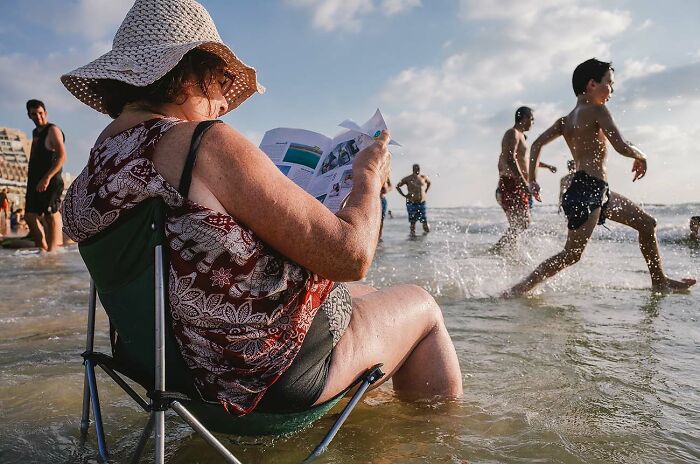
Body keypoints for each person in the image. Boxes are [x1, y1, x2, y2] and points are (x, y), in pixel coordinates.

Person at [60, 0, 462, 416]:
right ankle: (434, 446)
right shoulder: (203, 144)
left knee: (370, 295)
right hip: (260, 377)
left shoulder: (91, 178)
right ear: (186, 75)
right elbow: (352, 254)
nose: (222, 103)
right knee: (422, 307)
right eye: (219, 81)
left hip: (162, 371)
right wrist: (368, 177)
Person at [506, 58, 695, 296]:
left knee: (647, 224)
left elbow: (536, 145)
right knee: (571, 254)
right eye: (609, 83)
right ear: (592, 84)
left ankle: (659, 281)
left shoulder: (565, 120)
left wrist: (533, 179)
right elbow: (621, 145)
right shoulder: (597, 109)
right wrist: (642, 156)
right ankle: (518, 290)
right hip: (588, 190)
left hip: (594, 190)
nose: (612, 90)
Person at [492, 107, 556, 252]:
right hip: (510, 183)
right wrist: (522, 182)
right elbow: (509, 158)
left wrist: (547, 166)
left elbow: (525, 162)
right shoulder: (512, 133)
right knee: (522, 223)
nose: (533, 123)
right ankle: (498, 249)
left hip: (515, 184)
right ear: (525, 118)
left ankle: (507, 251)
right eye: (532, 119)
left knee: (520, 224)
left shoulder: (521, 137)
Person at [25, 99, 66, 252]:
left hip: (51, 180)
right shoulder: (35, 132)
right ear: (29, 116)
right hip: (34, 181)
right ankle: (42, 249)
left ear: (46, 113)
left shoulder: (53, 130)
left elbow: (62, 156)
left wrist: (47, 177)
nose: (38, 117)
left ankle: (52, 252)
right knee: (29, 216)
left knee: (51, 214)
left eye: (41, 113)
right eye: (34, 114)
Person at [396, 164, 431, 236]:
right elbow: (398, 186)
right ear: (413, 169)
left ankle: (427, 238)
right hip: (412, 203)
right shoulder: (408, 178)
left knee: (424, 220)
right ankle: (413, 239)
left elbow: (429, 183)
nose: (417, 169)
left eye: (418, 168)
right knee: (413, 222)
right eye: (416, 168)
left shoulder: (423, 177)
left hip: (422, 202)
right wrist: (404, 195)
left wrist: (426, 191)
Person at [379, 176, 392, 241]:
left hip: (382, 199)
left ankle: (379, 238)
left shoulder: (386, 175)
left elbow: (391, 187)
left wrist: (386, 189)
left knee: (381, 220)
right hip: (374, 199)